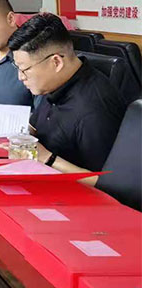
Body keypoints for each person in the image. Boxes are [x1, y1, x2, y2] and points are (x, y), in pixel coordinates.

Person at [8, 13, 125, 172]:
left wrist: (48, 158)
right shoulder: (54, 83)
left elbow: (106, 180)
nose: (20, 77)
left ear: (56, 62)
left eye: (25, 69)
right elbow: (36, 127)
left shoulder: (94, 109)